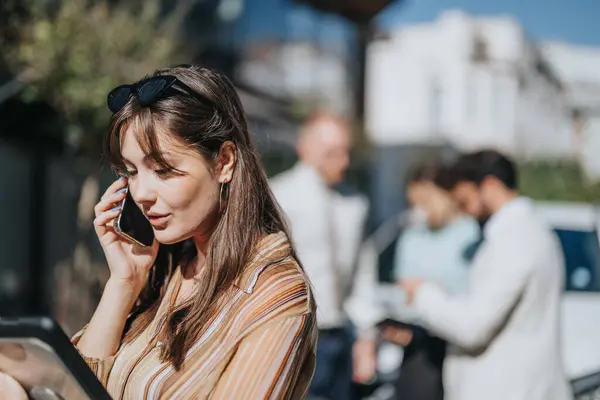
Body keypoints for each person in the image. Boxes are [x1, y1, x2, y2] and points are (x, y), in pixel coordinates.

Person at [0, 65, 318, 400]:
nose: (141, 193)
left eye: (163, 170)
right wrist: (124, 283)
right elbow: (78, 390)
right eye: (131, 171)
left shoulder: (273, 295)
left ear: (224, 162)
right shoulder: (167, 272)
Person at [400, 150, 572, 400]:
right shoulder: (519, 232)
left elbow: (473, 326)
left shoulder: (516, 239)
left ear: (489, 185)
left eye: (465, 200)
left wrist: (423, 293)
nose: (464, 210)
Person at [270, 112, 381, 400]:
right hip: (292, 333)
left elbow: (363, 275)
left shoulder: (355, 203)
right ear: (305, 148)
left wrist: (366, 338)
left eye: (346, 151)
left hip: (340, 334)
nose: (343, 161)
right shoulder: (278, 196)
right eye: (332, 152)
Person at [384, 161, 480, 400]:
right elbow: (402, 291)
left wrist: (430, 291)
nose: (421, 211)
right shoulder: (411, 237)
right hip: (419, 344)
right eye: (415, 204)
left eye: (426, 202)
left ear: (446, 194)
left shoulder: (470, 234)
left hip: (457, 341)